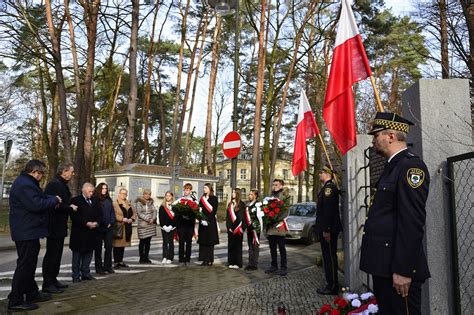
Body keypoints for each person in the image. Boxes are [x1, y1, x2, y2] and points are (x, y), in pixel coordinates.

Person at [360, 112, 430, 314]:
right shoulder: (393, 166)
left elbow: (412, 221)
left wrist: (403, 269)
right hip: (385, 267)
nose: (373, 140)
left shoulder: (411, 167)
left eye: (376, 135)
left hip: (398, 271)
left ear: (390, 136)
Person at [8, 160, 61, 311]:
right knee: (25, 265)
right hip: (26, 231)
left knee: (29, 264)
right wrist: (54, 199)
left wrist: (50, 200)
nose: (41, 176)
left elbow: (38, 199)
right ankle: (15, 300)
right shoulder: (25, 184)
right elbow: (36, 204)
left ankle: (31, 292)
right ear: (34, 171)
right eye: (41, 173)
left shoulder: (26, 182)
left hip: (28, 230)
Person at [42, 162, 75, 294]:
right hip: (53, 225)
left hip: (59, 225)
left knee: (57, 254)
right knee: (52, 254)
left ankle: (53, 279)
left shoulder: (61, 184)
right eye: (71, 171)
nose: (73, 174)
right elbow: (54, 204)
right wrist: (69, 208)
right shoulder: (54, 185)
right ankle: (47, 283)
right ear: (64, 171)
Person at [315, 165, 342, 295]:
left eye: (321, 172)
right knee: (327, 257)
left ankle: (332, 286)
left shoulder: (329, 189)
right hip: (326, 229)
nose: (319, 174)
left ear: (327, 174)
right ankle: (330, 283)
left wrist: (327, 230)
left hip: (329, 230)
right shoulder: (326, 188)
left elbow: (328, 211)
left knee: (330, 258)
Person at [69, 182, 101, 283]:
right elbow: (74, 216)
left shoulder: (95, 201)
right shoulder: (76, 200)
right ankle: (75, 276)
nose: (91, 193)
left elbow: (100, 214)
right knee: (77, 256)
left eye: (92, 191)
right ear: (84, 190)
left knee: (88, 254)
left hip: (92, 233)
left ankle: (85, 273)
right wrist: (86, 223)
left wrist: (96, 223)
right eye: (90, 191)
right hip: (79, 233)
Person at [265, 179, 290, 276]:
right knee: (272, 247)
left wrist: (276, 218)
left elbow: (285, 210)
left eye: (276, 184)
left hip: (279, 224)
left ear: (281, 186)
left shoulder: (285, 196)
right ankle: (274, 265)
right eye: (273, 184)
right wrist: (268, 217)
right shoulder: (271, 195)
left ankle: (283, 267)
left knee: (281, 248)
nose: (274, 186)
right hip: (271, 225)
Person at [93, 183, 116, 275]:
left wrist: (111, 222)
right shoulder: (95, 200)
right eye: (103, 188)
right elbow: (97, 214)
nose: (105, 190)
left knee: (109, 247)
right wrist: (103, 223)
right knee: (98, 248)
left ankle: (108, 266)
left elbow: (112, 212)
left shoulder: (108, 199)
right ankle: (99, 268)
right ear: (99, 189)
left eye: (106, 188)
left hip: (109, 228)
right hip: (99, 227)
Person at [112, 188, 137, 269]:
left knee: (122, 245)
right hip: (119, 227)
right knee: (117, 245)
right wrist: (122, 219)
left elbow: (134, 213)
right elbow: (113, 214)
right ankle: (116, 262)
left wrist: (131, 219)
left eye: (125, 194)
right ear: (119, 194)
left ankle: (120, 261)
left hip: (127, 227)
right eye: (122, 193)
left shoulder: (129, 203)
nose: (124, 195)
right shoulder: (115, 203)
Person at [197, 183, 219, 266]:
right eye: (204, 188)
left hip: (210, 222)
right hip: (202, 222)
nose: (204, 189)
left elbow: (214, 211)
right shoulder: (202, 198)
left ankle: (210, 259)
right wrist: (201, 219)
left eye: (205, 188)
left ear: (209, 189)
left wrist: (207, 220)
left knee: (210, 242)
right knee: (203, 241)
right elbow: (199, 209)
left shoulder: (214, 199)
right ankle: (204, 259)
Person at [175, 183, 196, 266]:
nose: (186, 191)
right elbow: (175, 211)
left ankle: (187, 258)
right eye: (185, 189)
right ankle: (181, 258)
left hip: (190, 224)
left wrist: (190, 216)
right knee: (181, 242)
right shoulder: (180, 200)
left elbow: (196, 212)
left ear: (190, 191)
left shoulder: (194, 200)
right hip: (181, 224)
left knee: (189, 242)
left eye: (188, 190)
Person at [136, 189, 157, 264]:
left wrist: (153, 218)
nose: (147, 195)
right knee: (142, 241)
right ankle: (141, 258)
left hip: (150, 225)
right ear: (143, 194)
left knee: (148, 242)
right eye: (146, 194)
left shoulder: (151, 202)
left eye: (149, 194)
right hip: (143, 225)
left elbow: (154, 210)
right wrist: (148, 219)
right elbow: (139, 213)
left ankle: (146, 257)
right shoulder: (139, 202)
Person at [226, 188, 246, 269]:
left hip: (238, 228)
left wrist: (235, 227)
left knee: (237, 246)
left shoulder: (241, 204)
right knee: (231, 246)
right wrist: (229, 227)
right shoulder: (230, 204)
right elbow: (227, 217)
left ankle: (238, 263)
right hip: (230, 229)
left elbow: (240, 217)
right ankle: (231, 261)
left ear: (238, 194)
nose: (232, 193)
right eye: (232, 192)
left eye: (234, 192)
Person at [244, 189, 263, 271]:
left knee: (255, 246)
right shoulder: (248, 205)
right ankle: (250, 263)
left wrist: (256, 226)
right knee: (250, 246)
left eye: (251, 194)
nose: (249, 196)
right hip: (249, 228)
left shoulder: (258, 204)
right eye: (249, 194)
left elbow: (260, 217)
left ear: (256, 195)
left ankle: (254, 264)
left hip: (256, 229)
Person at [159, 191, 176, 264]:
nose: (168, 197)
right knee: (165, 242)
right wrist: (164, 226)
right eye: (166, 195)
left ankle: (170, 257)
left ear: (172, 196)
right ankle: (165, 257)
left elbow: (176, 217)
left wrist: (171, 226)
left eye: (169, 195)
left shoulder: (175, 206)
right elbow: (160, 217)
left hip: (172, 227)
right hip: (164, 227)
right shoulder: (162, 206)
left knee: (171, 242)